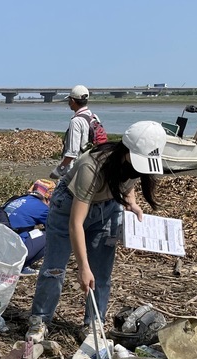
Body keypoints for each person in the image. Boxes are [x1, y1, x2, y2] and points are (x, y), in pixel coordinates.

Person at [26, 120, 166, 343]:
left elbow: (128, 184)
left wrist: (131, 203)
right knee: (54, 268)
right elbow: (76, 223)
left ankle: (93, 323)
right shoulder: (92, 166)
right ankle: (40, 319)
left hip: (107, 210)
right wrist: (82, 268)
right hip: (68, 208)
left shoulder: (132, 164)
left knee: (101, 273)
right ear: (126, 151)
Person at [0, 179, 55, 275]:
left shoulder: (18, 199)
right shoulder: (42, 208)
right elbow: (55, 226)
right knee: (51, 235)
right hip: (12, 249)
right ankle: (22, 266)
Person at [50, 84, 98, 180]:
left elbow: (72, 152)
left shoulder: (76, 121)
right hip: (91, 166)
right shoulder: (94, 117)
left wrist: (59, 170)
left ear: (72, 101)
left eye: (69, 100)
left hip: (75, 171)